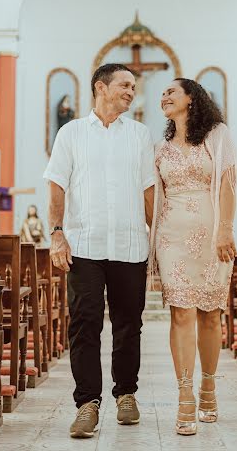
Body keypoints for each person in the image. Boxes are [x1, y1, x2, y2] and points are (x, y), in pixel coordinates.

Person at [43, 63, 155, 439]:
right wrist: (57, 233)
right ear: (100, 88)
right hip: (85, 244)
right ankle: (87, 403)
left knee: (129, 326)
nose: (130, 91)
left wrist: (157, 242)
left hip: (130, 244)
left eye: (133, 86)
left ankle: (126, 394)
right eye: (124, 85)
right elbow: (57, 185)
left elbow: (148, 190)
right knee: (84, 324)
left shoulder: (140, 134)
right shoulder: (71, 133)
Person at [150, 78, 237, 436]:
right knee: (181, 314)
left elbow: (229, 183)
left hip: (212, 233)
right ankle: (185, 393)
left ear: (191, 98)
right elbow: (155, 198)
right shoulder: (160, 147)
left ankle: (209, 386)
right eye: (163, 94)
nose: (164, 96)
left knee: (210, 315)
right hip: (171, 237)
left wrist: (226, 229)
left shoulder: (217, 135)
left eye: (171, 91)